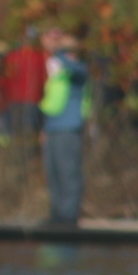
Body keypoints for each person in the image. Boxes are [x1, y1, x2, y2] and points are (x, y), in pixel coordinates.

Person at [38, 28, 89, 226]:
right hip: (53, 128)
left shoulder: (78, 70)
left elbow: (74, 68)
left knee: (68, 173)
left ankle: (69, 216)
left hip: (69, 128)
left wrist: (56, 51)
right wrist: (44, 129)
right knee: (53, 173)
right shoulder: (58, 74)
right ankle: (57, 215)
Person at [0, 33, 47, 145]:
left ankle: (15, 150)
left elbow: (4, 80)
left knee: (15, 133)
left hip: (15, 100)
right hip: (32, 100)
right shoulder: (39, 57)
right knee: (29, 132)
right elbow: (44, 79)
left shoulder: (12, 57)